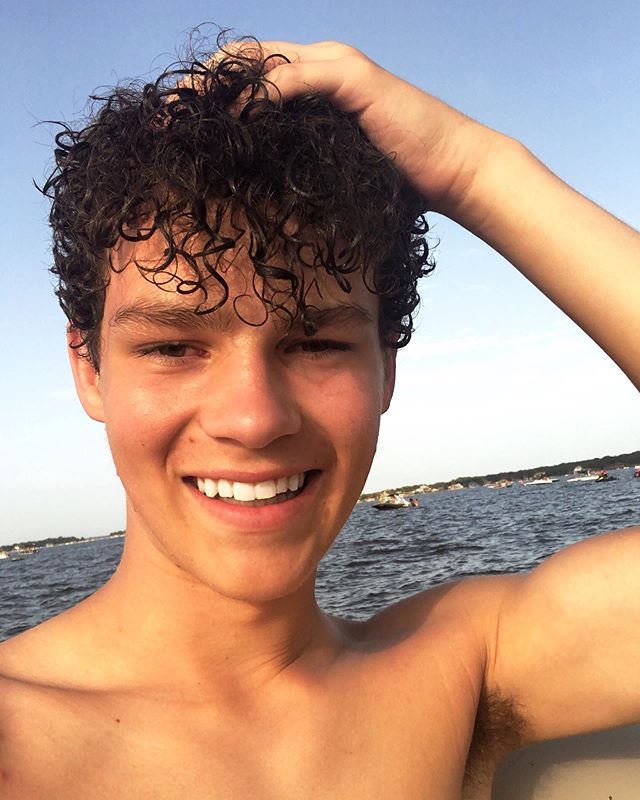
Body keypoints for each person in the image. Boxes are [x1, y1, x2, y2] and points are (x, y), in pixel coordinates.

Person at [0, 35, 638, 800]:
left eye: (315, 342)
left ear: (385, 369)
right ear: (90, 371)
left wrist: (471, 168)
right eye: (173, 346)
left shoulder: (455, 668)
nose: (253, 418)